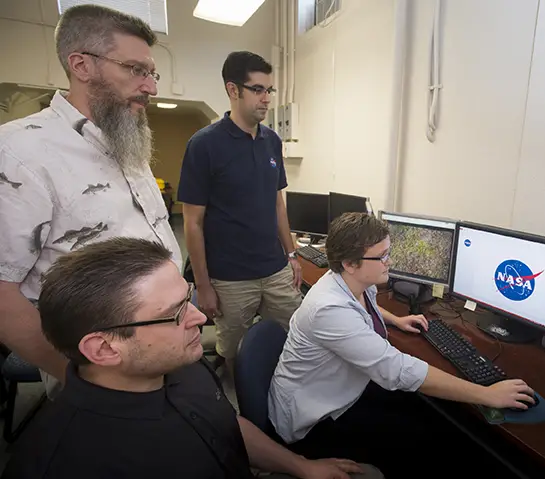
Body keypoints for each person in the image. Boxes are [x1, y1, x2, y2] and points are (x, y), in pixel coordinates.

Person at [1, 238, 383, 479]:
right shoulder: (65, 463)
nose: (200, 318)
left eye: (189, 300)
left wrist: (302, 467)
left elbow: (226, 425)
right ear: (103, 349)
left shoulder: (180, 365)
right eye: (175, 313)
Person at [269, 213, 537, 477]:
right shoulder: (328, 309)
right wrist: (487, 394)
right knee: (418, 441)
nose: (390, 261)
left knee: (427, 413)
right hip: (315, 416)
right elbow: (398, 369)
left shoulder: (352, 280)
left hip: (339, 388)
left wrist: (395, 319)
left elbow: (362, 308)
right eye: (382, 256)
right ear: (350, 263)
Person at [0, 4, 181, 395]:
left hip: (165, 346)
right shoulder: (19, 152)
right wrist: (79, 378)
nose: (151, 86)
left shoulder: (125, 141)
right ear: (81, 66)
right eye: (136, 70)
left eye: (152, 73)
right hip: (101, 374)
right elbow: (2, 293)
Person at [178, 51, 302, 373]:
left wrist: (291, 255)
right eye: (258, 90)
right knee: (231, 350)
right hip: (230, 277)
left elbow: (277, 203)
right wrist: (203, 285)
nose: (266, 99)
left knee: (296, 334)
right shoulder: (204, 145)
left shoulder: (272, 142)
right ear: (233, 90)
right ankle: (238, 407)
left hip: (275, 269)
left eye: (269, 91)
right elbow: (192, 222)